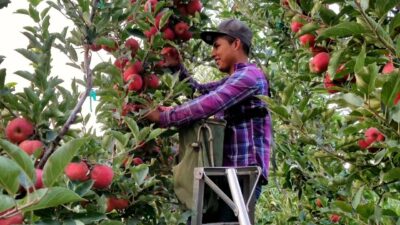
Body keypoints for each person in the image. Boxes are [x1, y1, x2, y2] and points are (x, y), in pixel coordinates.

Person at [146, 19, 272, 222]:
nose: (213, 53)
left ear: (236, 44)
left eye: (217, 46)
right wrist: (177, 68)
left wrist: (164, 117)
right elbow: (199, 92)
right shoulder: (233, 79)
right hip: (224, 174)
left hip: (242, 175)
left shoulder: (250, 76)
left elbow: (210, 103)